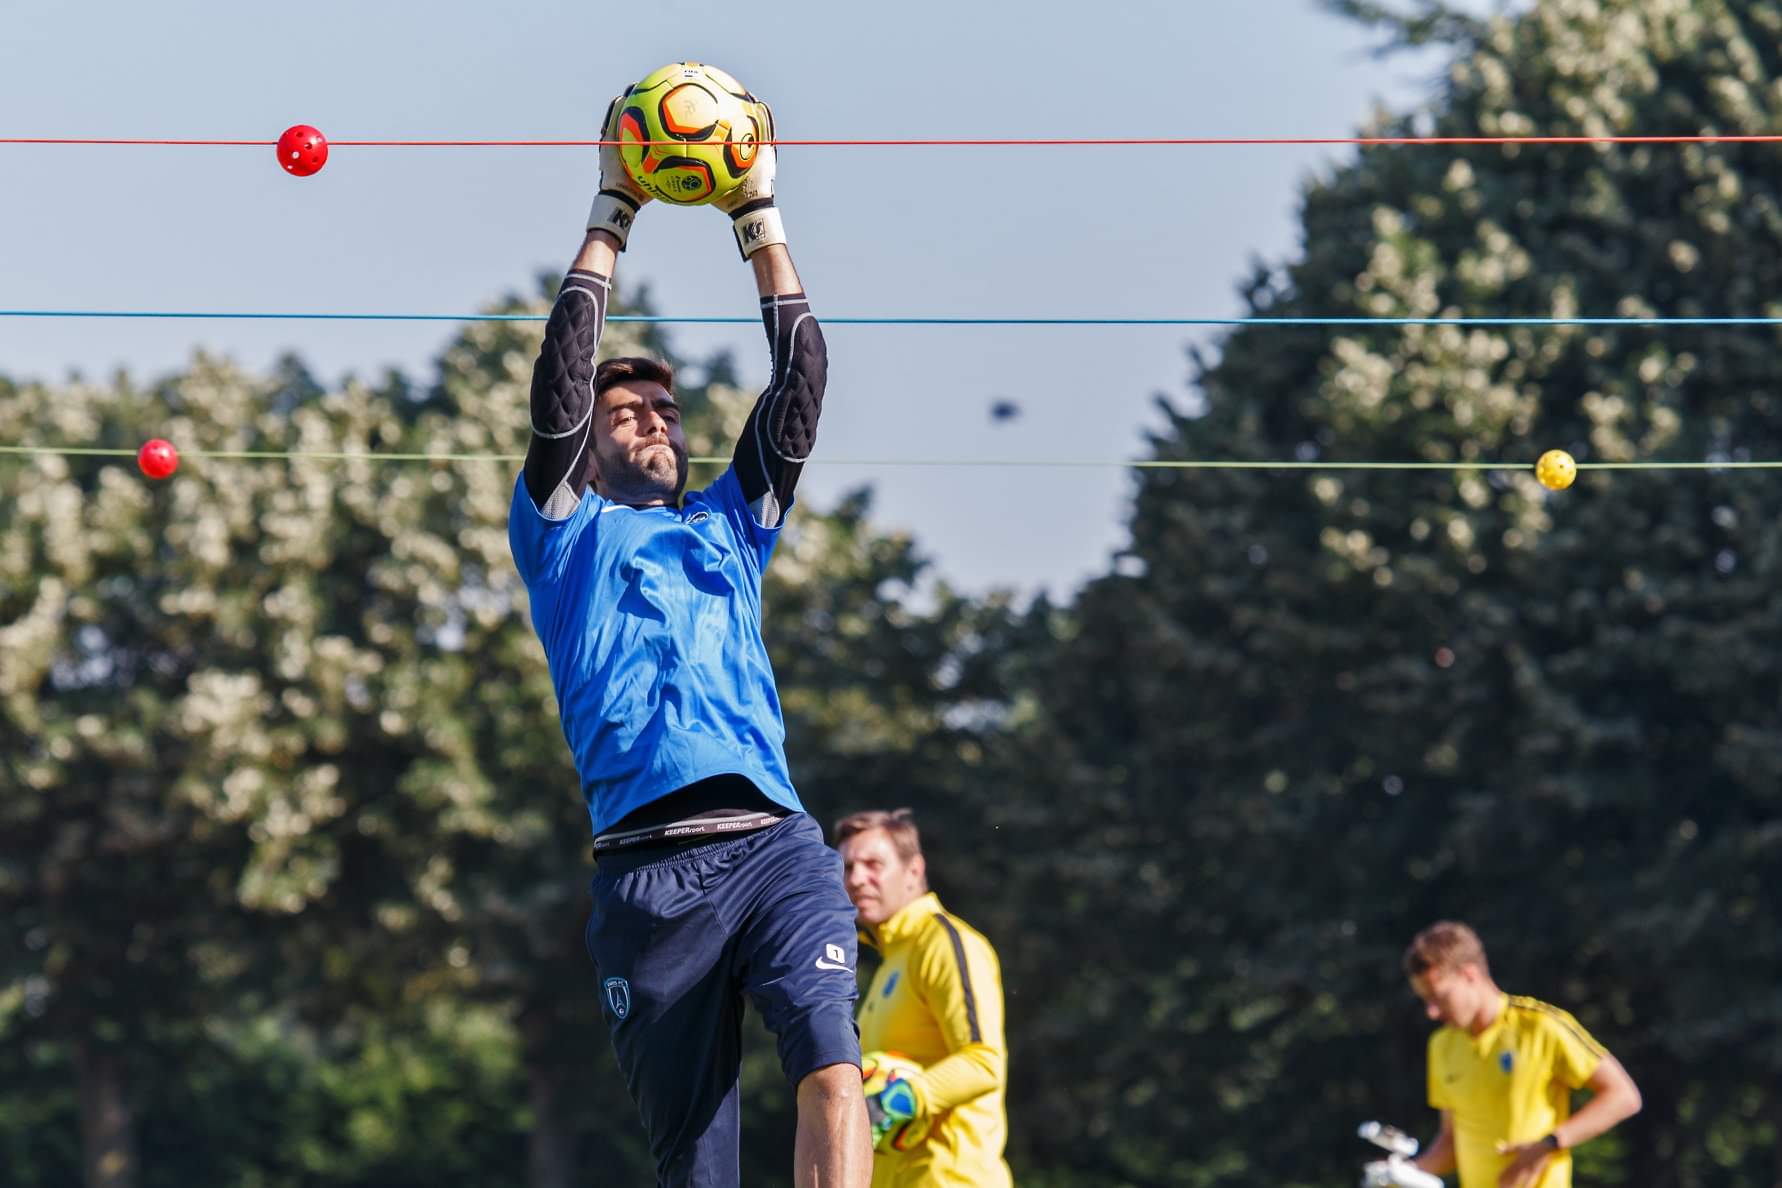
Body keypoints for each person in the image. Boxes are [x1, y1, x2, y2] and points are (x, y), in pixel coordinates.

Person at [507, 91, 870, 1188]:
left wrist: (759, 218)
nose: (652, 420)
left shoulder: (729, 522)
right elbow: (563, 386)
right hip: (645, 880)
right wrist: (612, 209)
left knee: (833, 1065)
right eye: (629, 413)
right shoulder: (565, 531)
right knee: (697, 1167)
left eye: (665, 409)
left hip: (771, 844)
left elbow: (800, 387)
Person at [834, 809, 1012, 1188]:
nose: (857, 878)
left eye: (873, 864)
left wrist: (891, 1102)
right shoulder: (889, 960)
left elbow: (985, 1062)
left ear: (914, 870)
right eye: (848, 867)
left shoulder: (946, 944)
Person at [1401, 922, 1642, 1188]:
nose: (1431, 1012)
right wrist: (1402, 1173)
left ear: (1469, 975)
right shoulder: (1442, 1045)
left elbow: (1623, 1096)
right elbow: (1451, 1141)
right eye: (1426, 1000)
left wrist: (1549, 1144)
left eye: (1439, 997)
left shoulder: (1540, 1026)